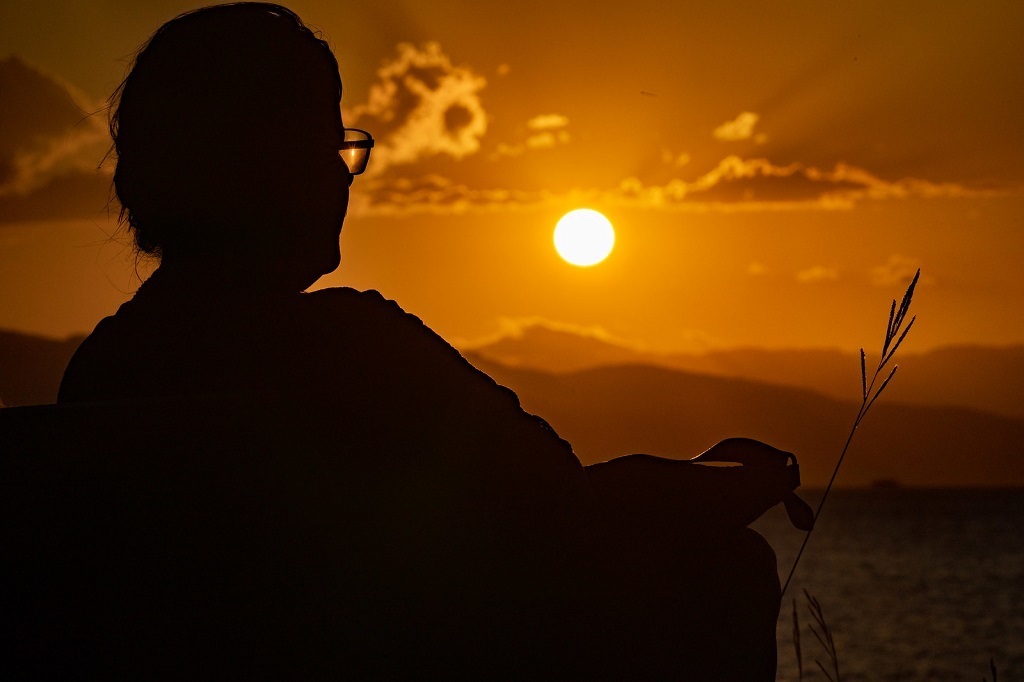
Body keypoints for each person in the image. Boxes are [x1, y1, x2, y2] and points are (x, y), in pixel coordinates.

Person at [58, 3, 792, 678]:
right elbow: (563, 508)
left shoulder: (103, 372)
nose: (342, 178)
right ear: (265, 164)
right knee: (728, 568)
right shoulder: (354, 349)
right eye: (324, 145)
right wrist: (740, 479)